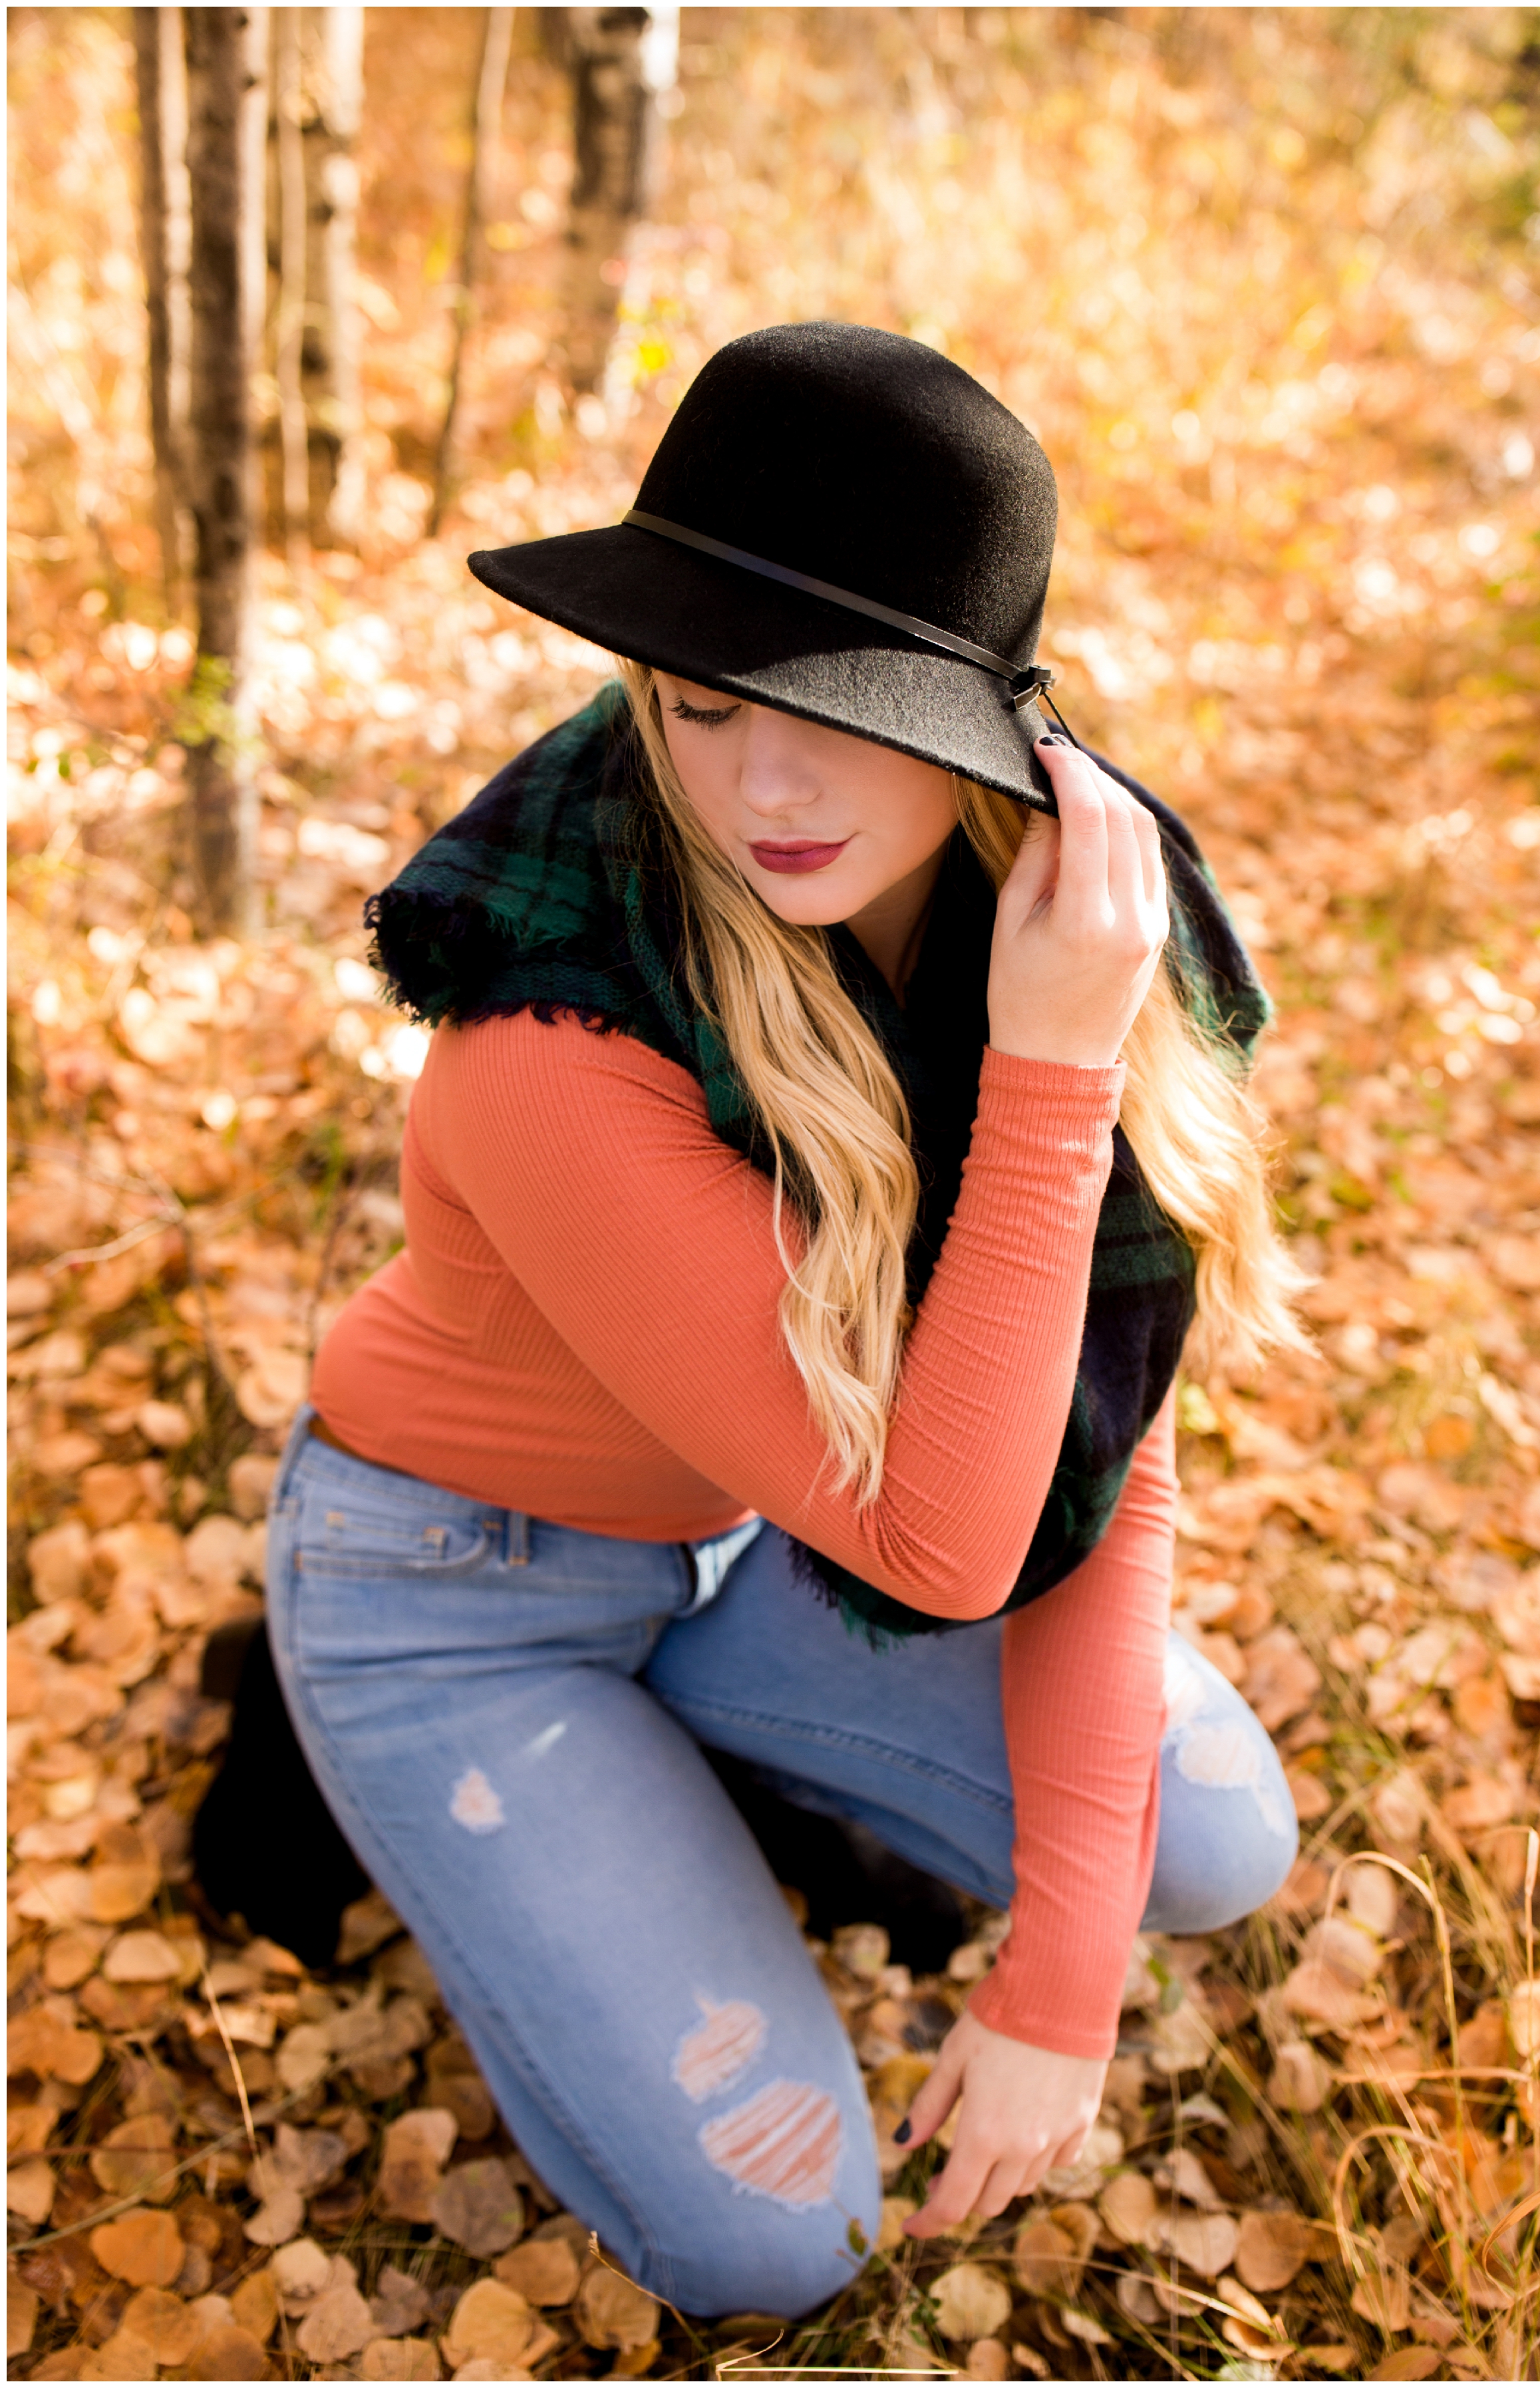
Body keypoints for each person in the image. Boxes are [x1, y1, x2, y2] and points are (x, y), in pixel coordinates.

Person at [267, 322, 1303, 2319]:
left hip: (748, 1543)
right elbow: (945, 1544)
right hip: (456, 1598)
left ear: (985, 724)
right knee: (785, 2237)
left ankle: (708, 1753)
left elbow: (1091, 1467)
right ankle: (500, 1786)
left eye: (838, 707)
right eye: (700, 701)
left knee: (1218, 1839)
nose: (764, 785)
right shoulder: (553, 1030)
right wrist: (1046, 1088)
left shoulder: (1070, 916)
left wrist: (1065, 1983)